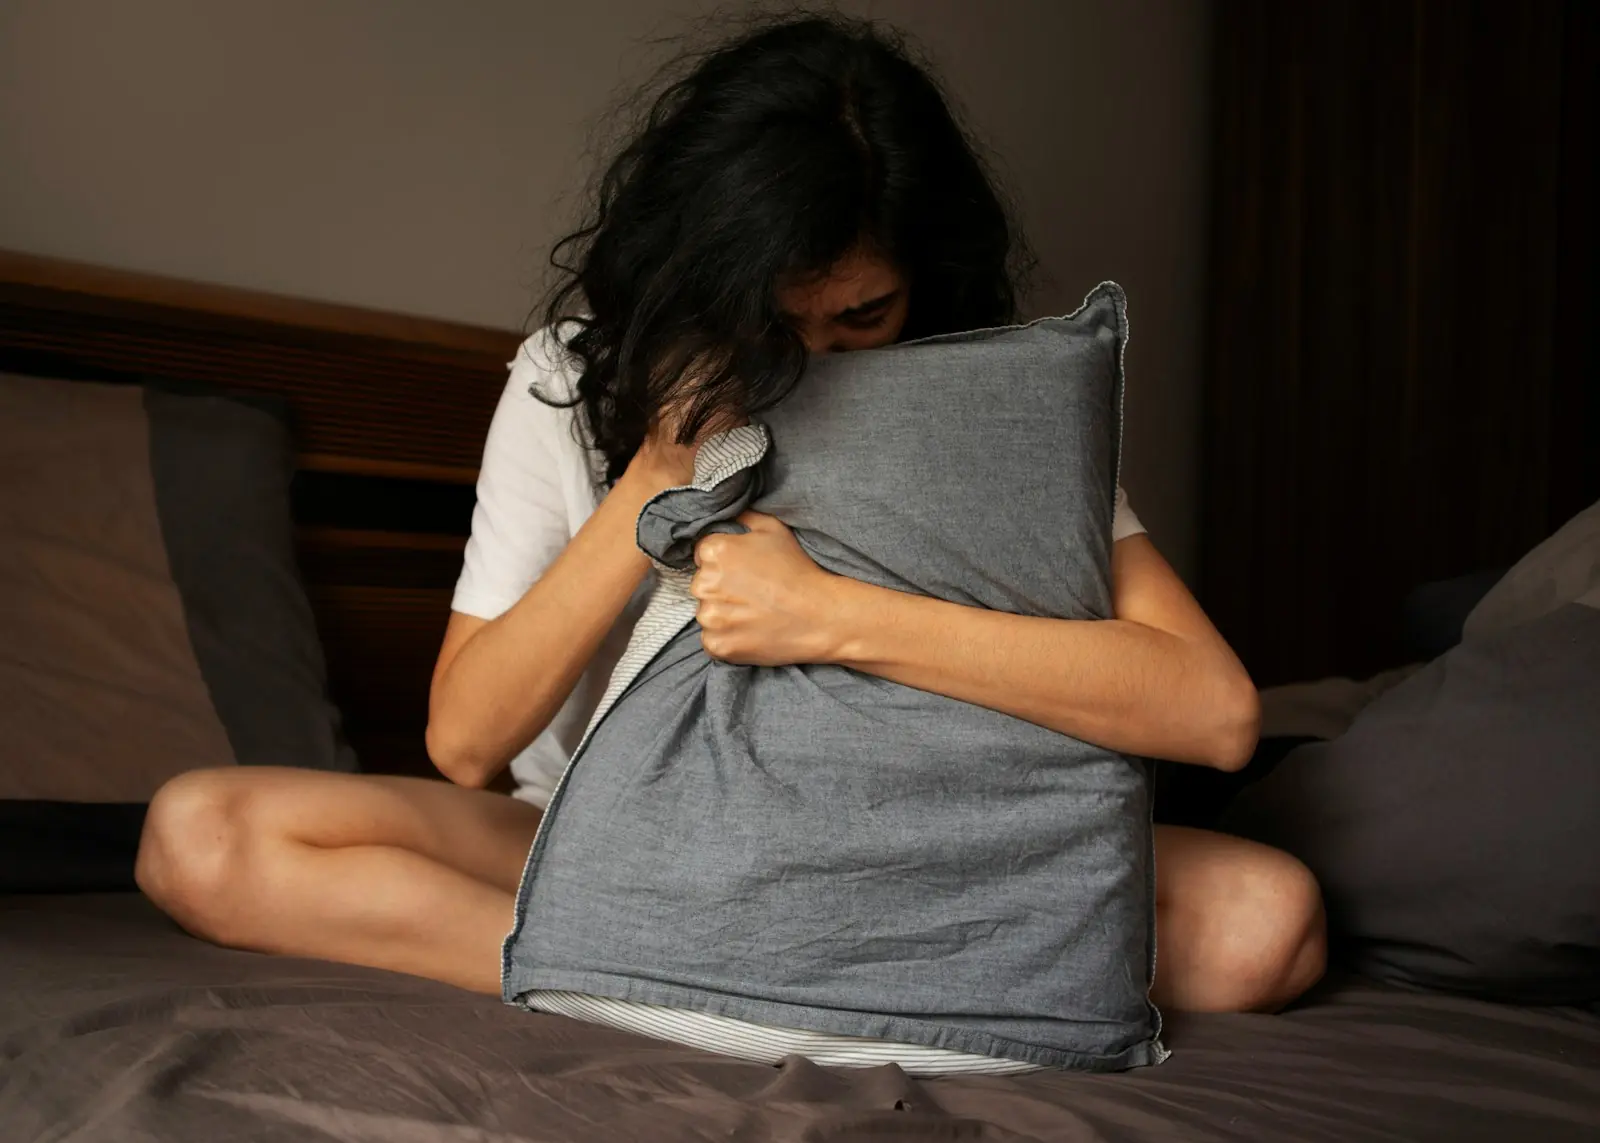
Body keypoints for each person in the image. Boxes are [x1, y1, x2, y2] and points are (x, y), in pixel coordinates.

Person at [137, 14, 1324, 1029]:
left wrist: (834, 618)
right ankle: (709, 972)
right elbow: (464, 745)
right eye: (771, 318)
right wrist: (651, 478)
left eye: (861, 315)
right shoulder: (571, 381)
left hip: (910, 853)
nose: (813, 360)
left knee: (1264, 923)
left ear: (923, 277)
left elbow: (1213, 713)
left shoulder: (996, 408)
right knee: (201, 836)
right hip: (608, 843)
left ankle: (669, 979)